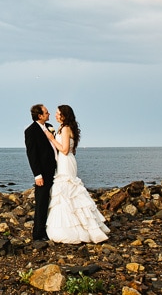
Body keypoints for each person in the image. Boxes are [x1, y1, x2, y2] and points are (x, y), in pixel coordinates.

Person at [43, 104, 109, 243]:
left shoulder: (66, 129)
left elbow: (65, 150)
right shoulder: (63, 128)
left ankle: (76, 229)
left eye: (58, 113)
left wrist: (51, 138)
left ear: (64, 116)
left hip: (66, 161)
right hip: (63, 161)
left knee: (67, 190)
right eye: (55, 112)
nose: (55, 115)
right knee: (65, 192)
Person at [24, 104, 57, 242]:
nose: (49, 114)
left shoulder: (48, 126)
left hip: (55, 169)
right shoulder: (30, 131)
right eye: (46, 112)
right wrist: (37, 175)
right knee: (41, 202)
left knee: (53, 199)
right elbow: (32, 154)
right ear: (40, 115)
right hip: (43, 172)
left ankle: (52, 228)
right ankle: (38, 233)